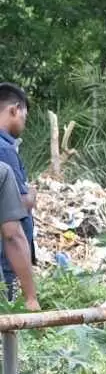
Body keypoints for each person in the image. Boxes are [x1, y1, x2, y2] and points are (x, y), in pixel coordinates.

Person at [0, 84, 41, 306]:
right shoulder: (4, 151)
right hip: (6, 259)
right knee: (8, 314)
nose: (24, 123)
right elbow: (12, 227)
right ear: (14, 109)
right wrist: (31, 297)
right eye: (24, 115)